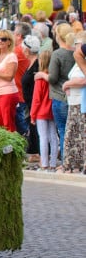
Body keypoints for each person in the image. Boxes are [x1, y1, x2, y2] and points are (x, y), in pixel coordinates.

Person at [47, 24, 76, 164]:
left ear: (58, 36)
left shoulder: (57, 54)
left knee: (63, 131)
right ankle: (75, 160)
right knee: (75, 131)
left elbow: (52, 78)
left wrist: (41, 75)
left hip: (59, 95)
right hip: (75, 96)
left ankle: (66, 162)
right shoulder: (76, 52)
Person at [60, 35, 86, 173]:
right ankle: (74, 165)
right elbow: (78, 53)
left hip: (78, 100)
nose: (76, 45)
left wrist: (68, 84)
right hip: (77, 102)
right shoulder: (80, 55)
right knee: (76, 135)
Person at [31, 50, 59, 171]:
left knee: (43, 137)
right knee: (53, 136)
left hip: (41, 112)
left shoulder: (39, 78)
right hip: (52, 110)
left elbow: (36, 99)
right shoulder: (53, 78)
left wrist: (33, 114)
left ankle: (44, 163)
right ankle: (53, 163)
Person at [21, 34, 41, 164]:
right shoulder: (31, 64)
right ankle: (34, 151)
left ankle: (38, 152)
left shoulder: (36, 65)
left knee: (36, 127)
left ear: (27, 50)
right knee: (32, 126)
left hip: (34, 101)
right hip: (29, 101)